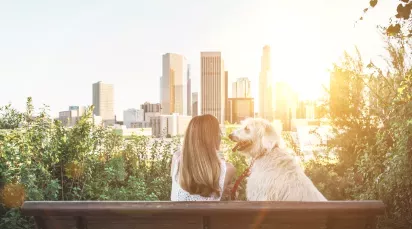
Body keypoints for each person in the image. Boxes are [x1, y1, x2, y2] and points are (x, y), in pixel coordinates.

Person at [170, 114, 236, 201]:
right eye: (219, 132)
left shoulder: (177, 159)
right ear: (214, 137)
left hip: (174, 214)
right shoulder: (227, 169)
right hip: (209, 215)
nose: (221, 136)